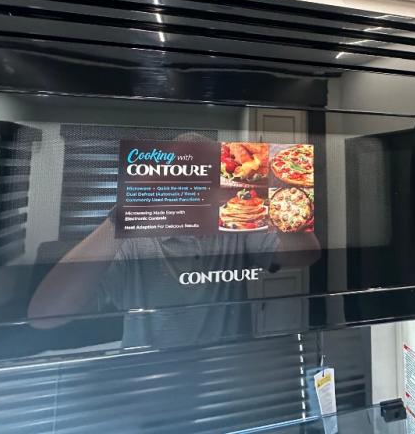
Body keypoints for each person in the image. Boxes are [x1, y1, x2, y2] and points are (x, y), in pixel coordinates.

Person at [28, 149, 321, 349]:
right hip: (147, 381)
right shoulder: (133, 241)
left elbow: (307, 254)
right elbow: (46, 316)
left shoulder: (236, 226)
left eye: (203, 181)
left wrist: (280, 193)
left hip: (226, 374)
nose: (192, 192)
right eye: (180, 180)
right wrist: (121, 217)